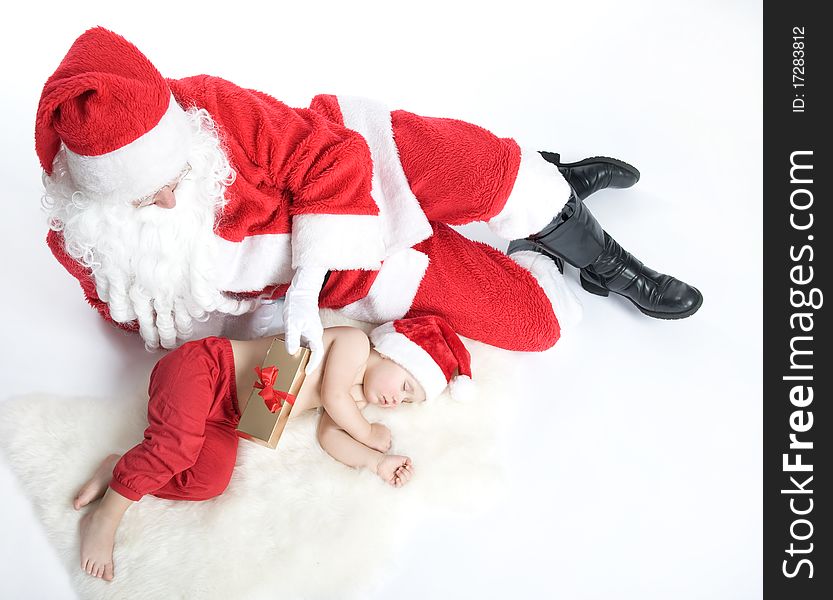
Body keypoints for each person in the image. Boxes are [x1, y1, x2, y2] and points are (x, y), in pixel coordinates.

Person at [37, 27, 702, 371]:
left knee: (495, 173)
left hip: (370, 160)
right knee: (539, 325)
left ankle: (606, 265)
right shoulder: (84, 238)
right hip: (360, 273)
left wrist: (299, 288)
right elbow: (133, 317)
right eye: (138, 199)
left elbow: (329, 156)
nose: (160, 198)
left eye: (169, 180)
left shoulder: (210, 108)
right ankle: (549, 221)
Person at [73, 316, 472, 581]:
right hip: (207, 369)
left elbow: (330, 437)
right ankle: (107, 516)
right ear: (391, 352)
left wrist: (376, 461)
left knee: (208, 482)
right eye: (405, 385)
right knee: (176, 449)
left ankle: (120, 469)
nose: (396, 400)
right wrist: (367, 431)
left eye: (408, 401)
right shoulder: (354, 345)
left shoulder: (356, 401)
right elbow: (332, 396)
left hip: (225, 418)